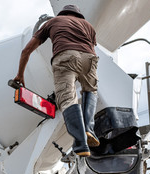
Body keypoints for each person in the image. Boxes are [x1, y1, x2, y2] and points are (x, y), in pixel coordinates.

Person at [13, 5, 100, 156]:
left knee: (67, 98)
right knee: (90, 90)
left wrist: (20, 74)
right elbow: (90, 47)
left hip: (65, 57)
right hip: (89, 58)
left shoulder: (53, 22)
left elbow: (26, 50)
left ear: (63, 13)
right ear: (78, 15)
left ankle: (81, 142)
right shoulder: (89, 26)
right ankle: (89, 129)